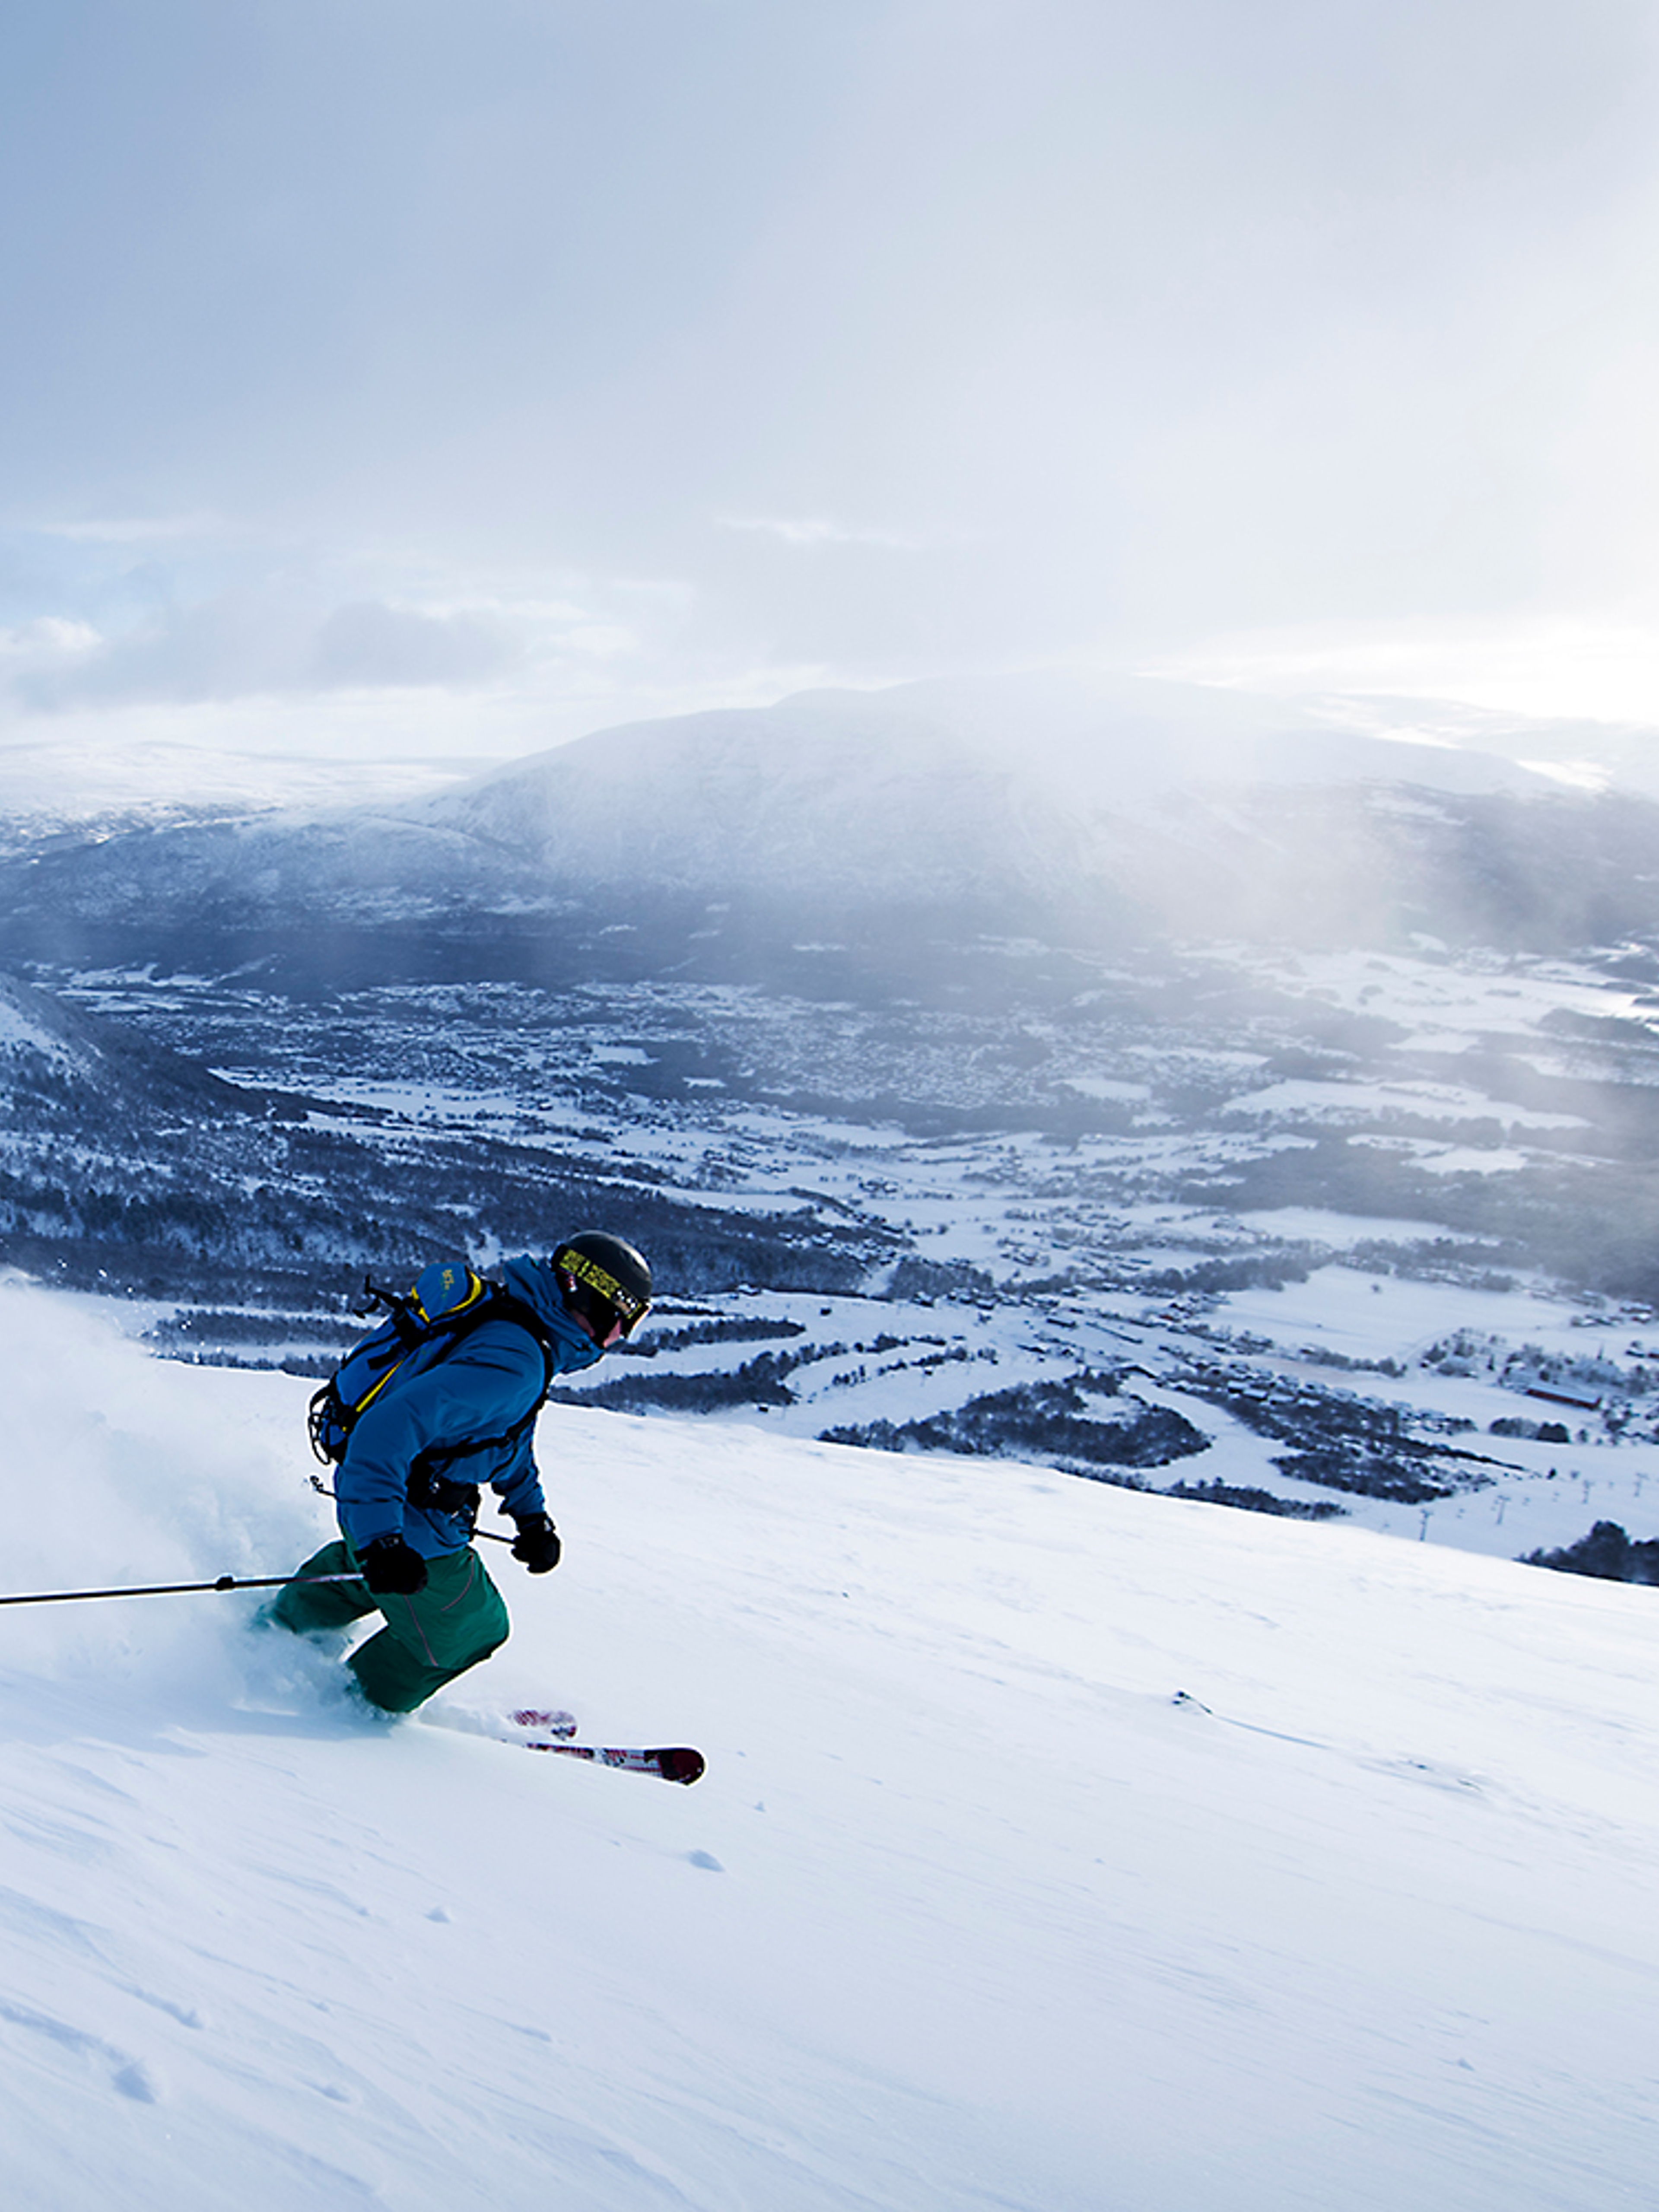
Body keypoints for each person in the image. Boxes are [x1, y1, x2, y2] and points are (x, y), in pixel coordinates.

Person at [267, 1231, 652, 1713]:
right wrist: (384, 1541)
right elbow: (386, 1430)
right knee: (472, 1628)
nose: (613, 1342)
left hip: (384, 1501)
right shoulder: (516, 1363)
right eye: (619, 1327)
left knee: (366, 1570)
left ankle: (274, 1634)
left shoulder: (515, 1320)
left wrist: (531, 1517)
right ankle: (345, 1710)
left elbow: (503, 1439)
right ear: (590, 1303)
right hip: (402, 1512)